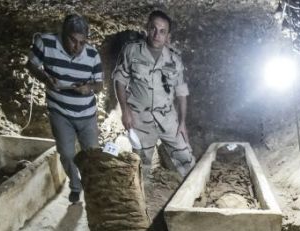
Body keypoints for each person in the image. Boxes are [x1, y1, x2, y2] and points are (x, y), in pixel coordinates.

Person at [27, 14, 103, 203]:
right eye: (72, 40)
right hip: (60, 111)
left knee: (92, 154)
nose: (76, 47)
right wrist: (45, 78)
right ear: (63, 34)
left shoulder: (92, 55)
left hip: (86, 114)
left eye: (81, 42)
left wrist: (88, 89)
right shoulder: (45, 43)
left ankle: (93, 188)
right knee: (67, 154)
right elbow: (31, 65)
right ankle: (76, 186)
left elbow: (99, 85)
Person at [113, 10, 195, 178]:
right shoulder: (131, 51)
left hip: (167, 118)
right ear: (147, 29)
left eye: (162, 31)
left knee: (186, 157)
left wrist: (182, 122)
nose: (157, 34)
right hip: (140, 119)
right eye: (153, 29)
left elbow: (181, 92)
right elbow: (119, 80)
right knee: (142, 167)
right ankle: (142, 201)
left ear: (167, 36)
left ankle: (193, 196)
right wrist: (125, 111)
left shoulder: (174, 60)